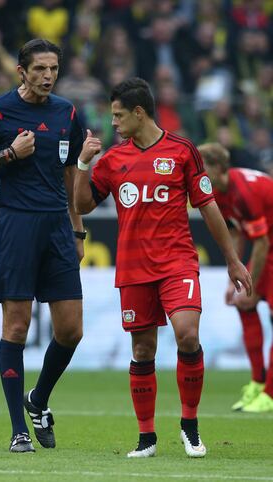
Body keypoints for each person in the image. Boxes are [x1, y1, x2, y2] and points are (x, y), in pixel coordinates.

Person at [74, 78, 252, 458]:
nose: (114, 123)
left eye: (119, 116)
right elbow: (84, 204)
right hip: (134, 267)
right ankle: (147, 438)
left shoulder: (183, 151)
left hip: (177, 262)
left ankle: (190, 427)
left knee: (187, 335)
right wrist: (83, 163)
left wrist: (233, 260)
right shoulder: (114, 160)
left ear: (139, 113)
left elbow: (208, 206)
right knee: (142, 349)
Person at [0, 39, 85, 453]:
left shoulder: (68, 112)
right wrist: (9, 153)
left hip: (58, 229)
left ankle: (38, 399)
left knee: (71, 330)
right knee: (16, 327)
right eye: (40, 69)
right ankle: (18, 430)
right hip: (16, 226)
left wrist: (77, 228)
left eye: (54, 69)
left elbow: (70, 173)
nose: (48, 76)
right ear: (21, 72)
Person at [198, 143, 273, 413]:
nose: (200, 175)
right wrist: (236, 278)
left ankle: (270, 394)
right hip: (268, 245)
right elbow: (238, 233)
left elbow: (261, 243)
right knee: (244, 304)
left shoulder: (244, 193)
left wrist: (250, 287)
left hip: (269, 245)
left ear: (219, 168)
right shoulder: (219, 192)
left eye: (203, 169)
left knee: (255, 304)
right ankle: (258, 382)